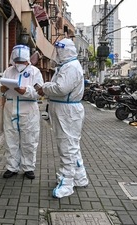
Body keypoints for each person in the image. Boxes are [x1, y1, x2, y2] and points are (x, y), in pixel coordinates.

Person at [36, 38, 89, 198]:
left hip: (67, 111)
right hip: (64, 110)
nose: (57, 54)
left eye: (59, 51)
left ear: (64, 51)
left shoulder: (71, 67)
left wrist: (44, 87)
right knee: (72, 145)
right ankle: (79, 177)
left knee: (67, 146)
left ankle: (66, 183)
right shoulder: (67, 66)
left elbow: (61, 88)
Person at [0, 45, 44, 179]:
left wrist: (25, 91)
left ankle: (28, 167)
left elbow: (39, 92)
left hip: (28, 109)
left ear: (27, 60)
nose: (18, 64)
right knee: (10, 139)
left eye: (21, 61)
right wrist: (2, 89)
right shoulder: (8, 71)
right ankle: (12, 167)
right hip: (10, 107)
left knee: (29, 139)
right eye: (16, 61)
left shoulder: (35, 72)